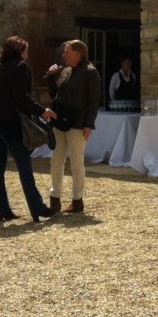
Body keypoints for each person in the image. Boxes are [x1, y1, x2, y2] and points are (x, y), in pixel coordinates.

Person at [0, 36, 60, 223]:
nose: (28, 53)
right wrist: (42, 109)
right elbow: (20, 96)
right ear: (20, 50)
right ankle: (37, 208)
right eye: (26, 50)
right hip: (9, 122)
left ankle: (2, 209)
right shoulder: (20, 67)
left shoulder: (3, 67)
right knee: (24, 165)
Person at [46, 39, 101, 213]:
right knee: (56, 160)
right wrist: (50, 77)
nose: (64, 55)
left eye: (67, 52)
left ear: (78, 54)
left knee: (76, 163)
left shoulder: (91, 73)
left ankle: (77, 201)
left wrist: (88, 124)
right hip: (60, 122)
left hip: (77, 124)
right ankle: (55, 199)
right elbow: (55, 94)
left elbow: (94, 101)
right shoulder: (66, 71)